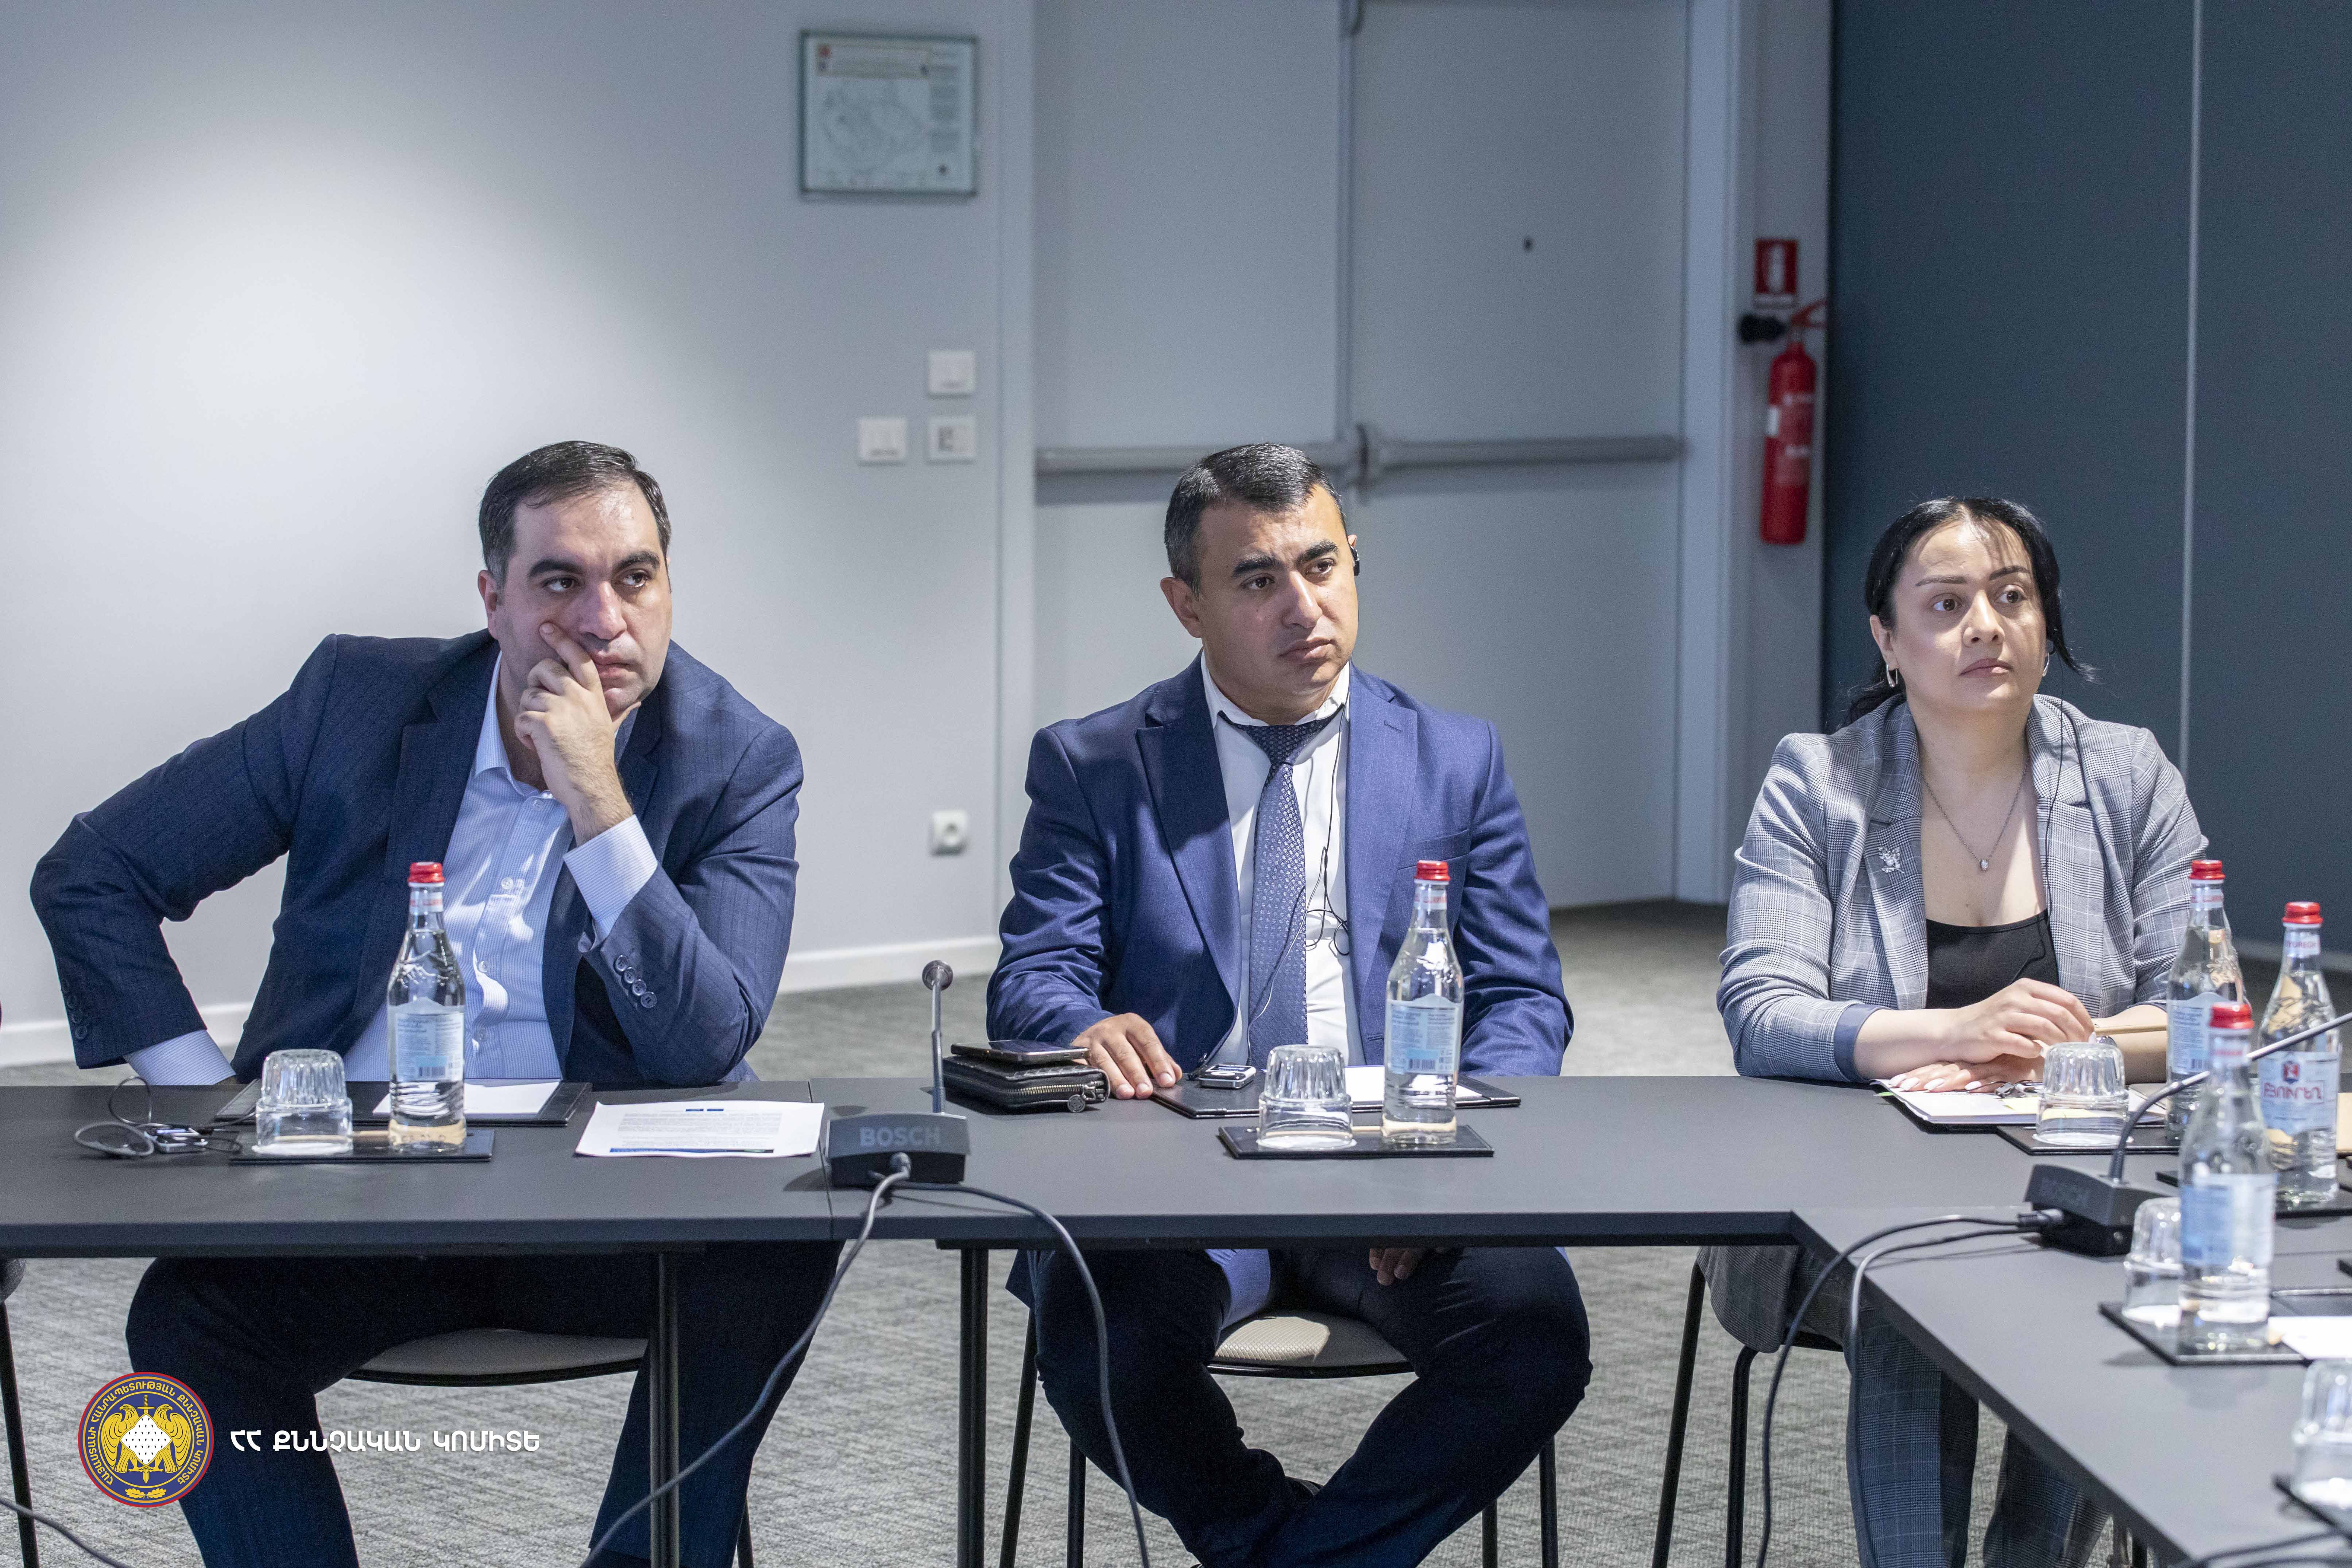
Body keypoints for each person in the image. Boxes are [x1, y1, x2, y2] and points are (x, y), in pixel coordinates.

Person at [32, 441, 833, 1568]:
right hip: (358, 1196)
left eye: (636, 577)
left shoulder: (736, 757)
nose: (603, 619)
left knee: (775, 1250)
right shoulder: (356, 703)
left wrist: (598, 799)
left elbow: (707, 1039)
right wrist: (203, 1097)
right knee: (187, 1317)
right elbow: (96, 873)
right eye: (559, 581)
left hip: (604, 1211)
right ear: (493, 599)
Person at [990, 443, 1591, 1568]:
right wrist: (1083, 1023)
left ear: (1355, 562)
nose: (1303, 606)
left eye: (1323, 567)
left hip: (1389, 1163)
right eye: (1258, 580)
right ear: (1188, 604)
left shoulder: (1455, 758)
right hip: (1178, 1174)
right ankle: (1282, 1543)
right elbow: (1034, 977)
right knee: (1096, 1339)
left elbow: (1522, 998)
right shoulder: (1094, 764)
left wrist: (1439, 1154)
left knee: (1533, 1333)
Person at [1705, 496, 2203, 1568]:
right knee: (1914, 1281)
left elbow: (2206, 1012)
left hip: (2073, 1172)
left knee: (2090, 1272)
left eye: (2013, 596)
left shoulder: (2126, 775)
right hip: (1853, 1197)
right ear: (1888, 640)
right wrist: (1958, 1031)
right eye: (1946, 604)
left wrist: (2068, 1051)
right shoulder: (1820, 782)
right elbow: (1762, 1009)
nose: (1986, 625)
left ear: (2045, 623)